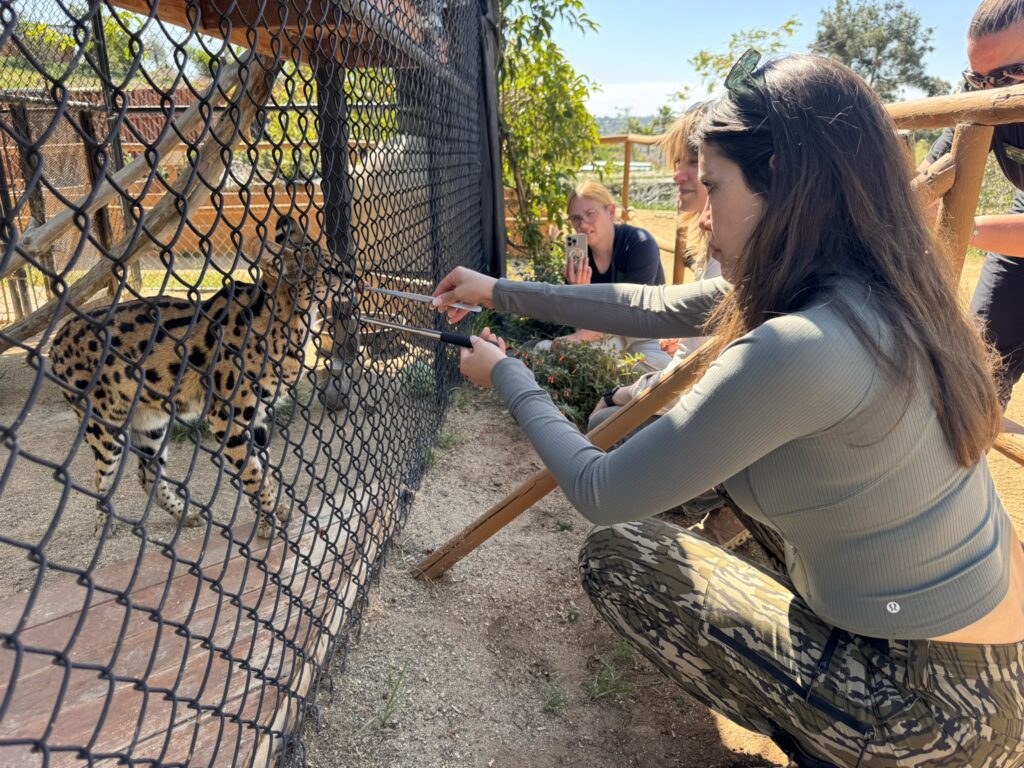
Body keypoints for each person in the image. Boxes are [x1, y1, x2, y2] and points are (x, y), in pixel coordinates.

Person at [434, 52, 1024, 768]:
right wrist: (496, 290)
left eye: (714, 185)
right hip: (985, 659)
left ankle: (831, 742)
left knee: (621, 557)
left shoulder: (801, 344)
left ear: (781, 180)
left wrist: (508, 373)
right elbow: (647, 304)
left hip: (926, 710)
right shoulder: (876, 285)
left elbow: (602, 490)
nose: (703, 214)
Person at [586, 107, 746, 551]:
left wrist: (629, 392)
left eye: (692, 163)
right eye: (679, 161)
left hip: (718, 424)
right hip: (708, 405)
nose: (678, 175)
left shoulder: (711, 252)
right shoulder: (714, 247)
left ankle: (720, 506)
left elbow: (687, 363)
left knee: (603, 426)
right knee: (610, 416)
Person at [920, 0, 1024, 405]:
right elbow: (934, 171)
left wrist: (959, 224)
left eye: (1011, 76)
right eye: (978, 80)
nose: (989, 93)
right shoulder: (983, 95)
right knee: (977, 367)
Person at [541, 180, 670, 372]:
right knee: (583, 360)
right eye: (575, 219)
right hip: (604, 335)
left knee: (659, 365)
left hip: (645, 329)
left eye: (590, 214)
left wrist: (578, 338)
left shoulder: (639, 244)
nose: (583, 224)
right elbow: (580, 321)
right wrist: (579, 293)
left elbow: (628, 312)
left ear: (611, 211)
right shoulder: (579, 256)